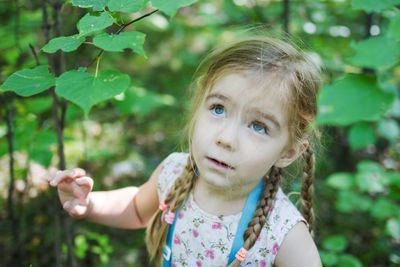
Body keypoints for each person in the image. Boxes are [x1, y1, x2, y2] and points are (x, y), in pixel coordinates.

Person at [48, 34, 323, 267]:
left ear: (288, 152)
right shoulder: (174, 171)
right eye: (218, 109)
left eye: (259, 126)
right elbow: (136, 209)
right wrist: (90, 204)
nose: (226, 138)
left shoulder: (284, 234)